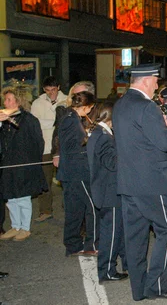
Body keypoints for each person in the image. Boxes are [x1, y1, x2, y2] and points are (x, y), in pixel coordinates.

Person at [112, 63, 167, 301]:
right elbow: (165, 144)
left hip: (128, 182)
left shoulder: (120, 104)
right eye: (155, 80)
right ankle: (157, 284)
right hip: (152, 183)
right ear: (145, 81)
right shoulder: (147, 107)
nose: (157, 85)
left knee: (135, 238)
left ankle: (139, 289)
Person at [86, 102, 128, 283]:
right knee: (111, 234)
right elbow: (111, 163)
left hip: (106, 190)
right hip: (108, 192)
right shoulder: (103, 136)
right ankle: (107, 270)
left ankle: (111, 266)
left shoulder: (100, 133)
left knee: (114, 231)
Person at [0, 86, 46, 242]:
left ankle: (25, 228)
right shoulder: (2, 119)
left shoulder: (28, 119)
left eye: (9, 99)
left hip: (24, 164)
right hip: (7, 164)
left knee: (23, 198)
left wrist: (33, 163)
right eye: (5, 99)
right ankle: (15, 226)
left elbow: (39, 142)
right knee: (11, 198)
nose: (5, 102)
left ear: (18, 101)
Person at [57, 91, 99, 255]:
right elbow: (70, 146)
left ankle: (73, 245)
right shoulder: (71, 120)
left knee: (74, 210)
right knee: (93, 207)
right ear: (87, 107)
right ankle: (92, 245)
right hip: (77, 171)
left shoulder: (70, 116)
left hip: (70, 172)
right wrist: (89, 140)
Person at [30, 76, 68, 223]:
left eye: (53, 90)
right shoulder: (38, 102)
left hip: (62, 146)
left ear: (58, 87)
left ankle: (69, 207)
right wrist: (54, 122)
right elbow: (35, 124)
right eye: (47, 90)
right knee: (44, 180)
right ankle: (45, 210)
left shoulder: (66, 100)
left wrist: (49, 123)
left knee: (66, 180)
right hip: (45, 146)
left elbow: (64, 123)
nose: (50, 93)